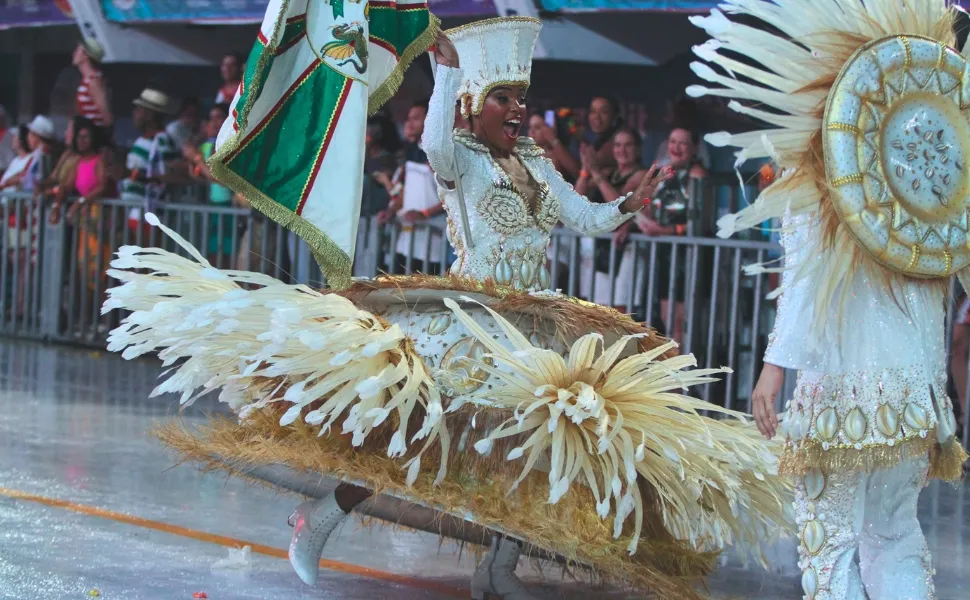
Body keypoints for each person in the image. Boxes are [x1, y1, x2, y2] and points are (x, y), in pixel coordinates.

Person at [285, 20, 673, 597]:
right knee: (422, 437)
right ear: (474, 102)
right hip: (473, 325)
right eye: (502, 98)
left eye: (521, 98)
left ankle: (497, 568)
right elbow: (434, 142)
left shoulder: (537, 161)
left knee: (532, 448)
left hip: (535, 329)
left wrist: (626, 204)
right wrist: (445, 75)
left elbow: (582, 216)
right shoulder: (459, 159)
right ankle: (320, 516)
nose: (516, 109)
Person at [691, 0, 970, 598]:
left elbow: (807, 277)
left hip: (840, 389)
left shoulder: (822, 164)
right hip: (914, 393)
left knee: (830, 540)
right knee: (894, 537)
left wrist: (772, 369)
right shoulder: (933, 173)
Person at [632, 127, 706, 343]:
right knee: (664, 318)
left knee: (678, 322)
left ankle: (682, 373)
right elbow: (649, 207)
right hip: (663, 254)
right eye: (673, 141)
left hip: (685, 255)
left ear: (693, 149)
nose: (677, 147)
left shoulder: (696, 174)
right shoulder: (665, 173)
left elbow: (698, 220)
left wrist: (663, 231)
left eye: (683, 143)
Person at [575, 126, 647, 309]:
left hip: (627, 248)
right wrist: (585, 170)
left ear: (637, 149)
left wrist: (597, 175)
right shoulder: (609, 173)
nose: (622, 150)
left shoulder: (641, 175)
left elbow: (619, 208)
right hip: (603, 249)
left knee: (619, 309)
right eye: (617, 145)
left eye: (628, 145)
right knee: (598, 308)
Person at [49, 118, 111, 298]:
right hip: (84, 218)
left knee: (99, 266)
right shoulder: (78, 162)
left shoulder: (99, 160)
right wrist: (56, 205)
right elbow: (66, 186)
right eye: (79, 137)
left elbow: (102, 186)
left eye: (86, 137)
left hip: (98, 215)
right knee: (83, 264)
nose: (82, 141)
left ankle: (103, 319)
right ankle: (90, 316)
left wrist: (82, 201)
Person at [121, 89, 181, 237]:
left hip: (148, 215)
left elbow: (168, 175)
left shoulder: (161, 140)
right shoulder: (141, 140)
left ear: (150, 114)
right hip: (134, 213)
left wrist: (137, 176)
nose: (135, 114)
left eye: (139, 110)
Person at [73, 38, 112, 130]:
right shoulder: (86, 80)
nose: (74, 53)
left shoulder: (94, 81)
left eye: (77, 50)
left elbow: (107, 118)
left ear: (85, 55)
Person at [0, 126, 32, 192]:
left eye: (14, 137)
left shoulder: (30, 158)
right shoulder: (15, 160)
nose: (12, 139)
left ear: (21, 140)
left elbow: (22, 177)